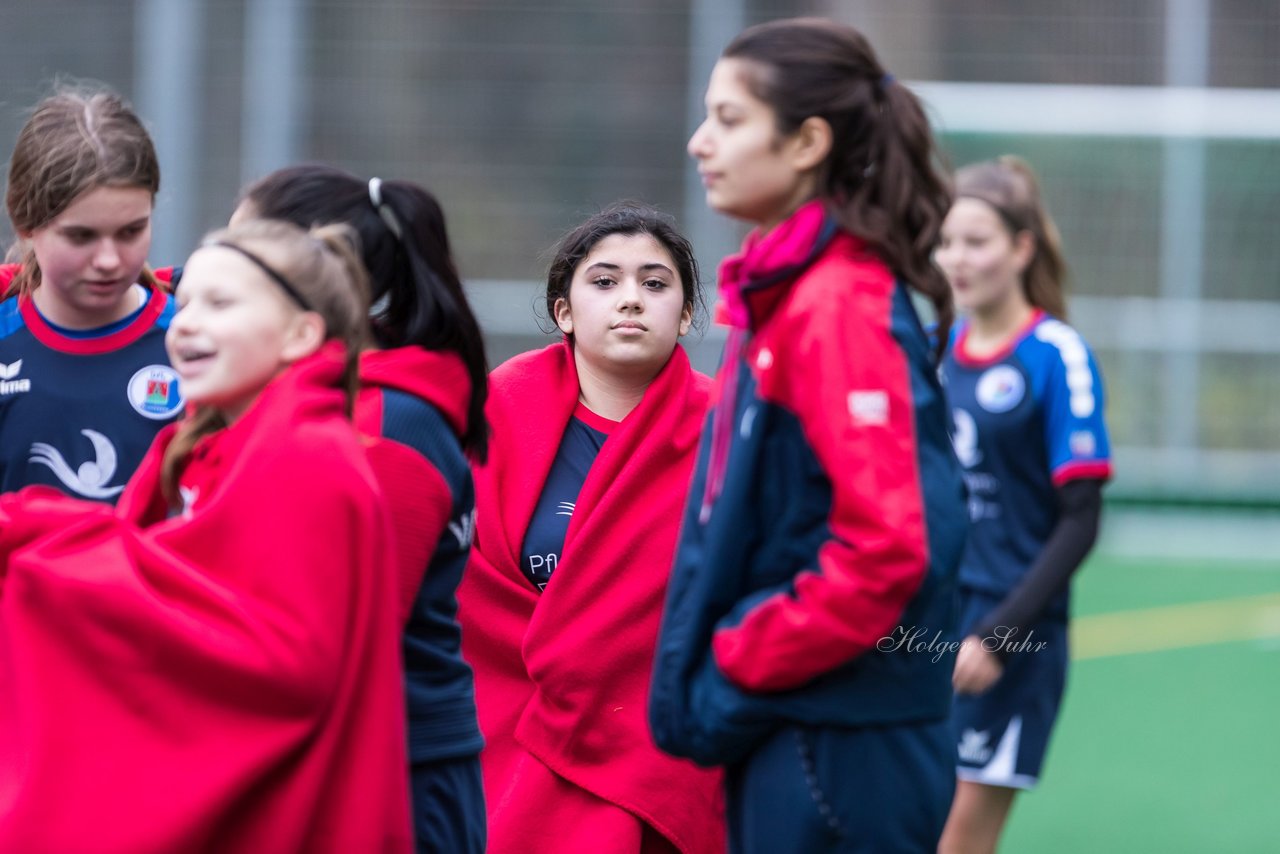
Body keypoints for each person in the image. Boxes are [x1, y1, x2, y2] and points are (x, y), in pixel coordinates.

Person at [648, 17, 969, 853]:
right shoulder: (788, 293)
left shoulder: (837, 305)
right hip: (808, 724)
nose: (698, 142)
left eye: (728, 118)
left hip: (836, 739)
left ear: (806, 143)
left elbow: (888, 549)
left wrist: (738, 656)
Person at [0, 219, 413, 852]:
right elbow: (169, 572)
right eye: (187, 302)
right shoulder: (218, 444)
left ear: (301, 334)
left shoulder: (308, 457)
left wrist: (57, 573)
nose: (186, 322)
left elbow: (279, 666)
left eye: (220, 304)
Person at [233, 164, 489, 854]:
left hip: (400, 776)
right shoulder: (329, 407)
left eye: (241, 267)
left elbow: (347, 637)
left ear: (310, 276)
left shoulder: (389, 427)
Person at [457, 202, 724, 854]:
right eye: (604, 282)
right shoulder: (496, 415)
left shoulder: (729, 431)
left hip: (668, 760)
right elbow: (465, 602)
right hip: (508, 749)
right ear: (564, 311)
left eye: (655, 284)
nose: (630, 299)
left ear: (686, 314)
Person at [935, 156, 1111, 854]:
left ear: (1022, 246)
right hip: (929, 624)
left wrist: (1001, 635)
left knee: (957, 842)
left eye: (976, 241)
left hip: (1012, 635)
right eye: (947, 241)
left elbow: (1081, 519)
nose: (956, 258)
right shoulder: (933, 349)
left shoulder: (1055, 356)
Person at [0, 84, 182, 501]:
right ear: (25, 223)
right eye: (81, 236)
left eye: (131, 231)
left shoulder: (195, 344)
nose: (109, 260)